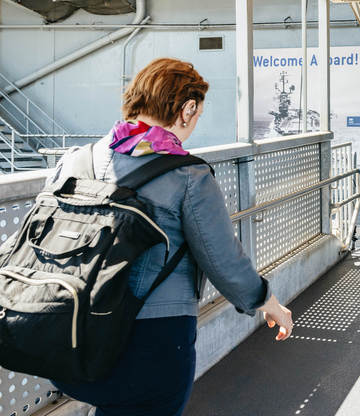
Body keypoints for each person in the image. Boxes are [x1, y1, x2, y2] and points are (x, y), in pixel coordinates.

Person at [48, 58, 293, 416]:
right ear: (187, 108)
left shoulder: (76, 159)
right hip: (148, 352)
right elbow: (224, 261)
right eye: (197, 113)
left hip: (66, 339)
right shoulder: (189, 175)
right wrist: (270, 304)